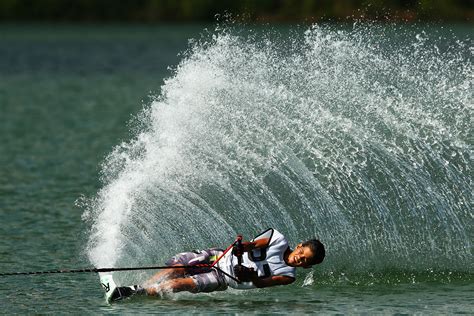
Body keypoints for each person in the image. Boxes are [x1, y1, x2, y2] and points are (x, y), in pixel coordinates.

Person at [107, 228, 325, 300]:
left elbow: (264, 283)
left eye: (305, 261)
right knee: (177, 268)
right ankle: (141, 288)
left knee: (181, 284)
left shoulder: (288, 275)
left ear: (307, 266)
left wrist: (250, 276)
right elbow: (252, 244)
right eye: (301, 253)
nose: (299, 258)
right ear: (299, 246)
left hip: (225, 278)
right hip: (219, 257)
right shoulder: (277, 238)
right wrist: (243, 247)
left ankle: (132, 292)